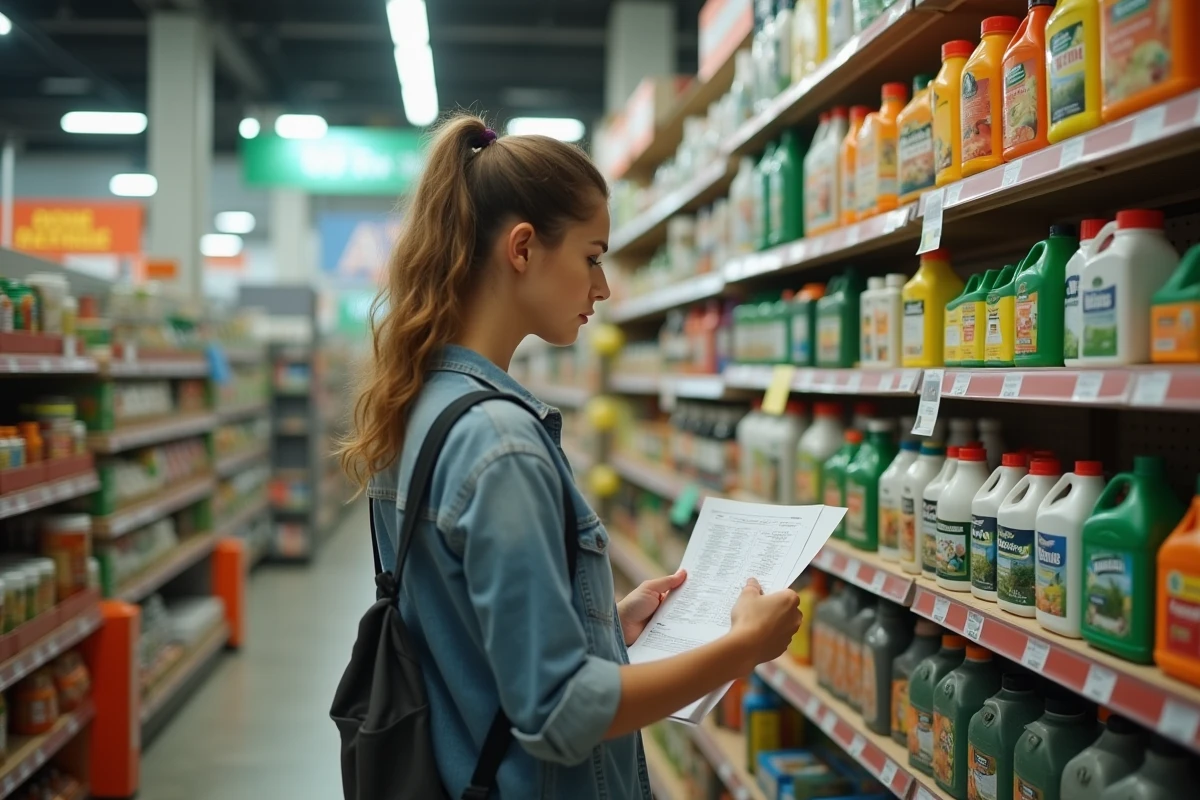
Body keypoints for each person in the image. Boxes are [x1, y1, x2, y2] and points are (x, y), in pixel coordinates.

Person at [339, 113, 802, 800]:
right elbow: (560, 713)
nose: (604, 286)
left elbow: (465, 640)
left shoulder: (418, 403)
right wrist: (739, 649)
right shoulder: (501, 445)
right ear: (522, 248)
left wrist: (604, 627)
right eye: (592, 256)